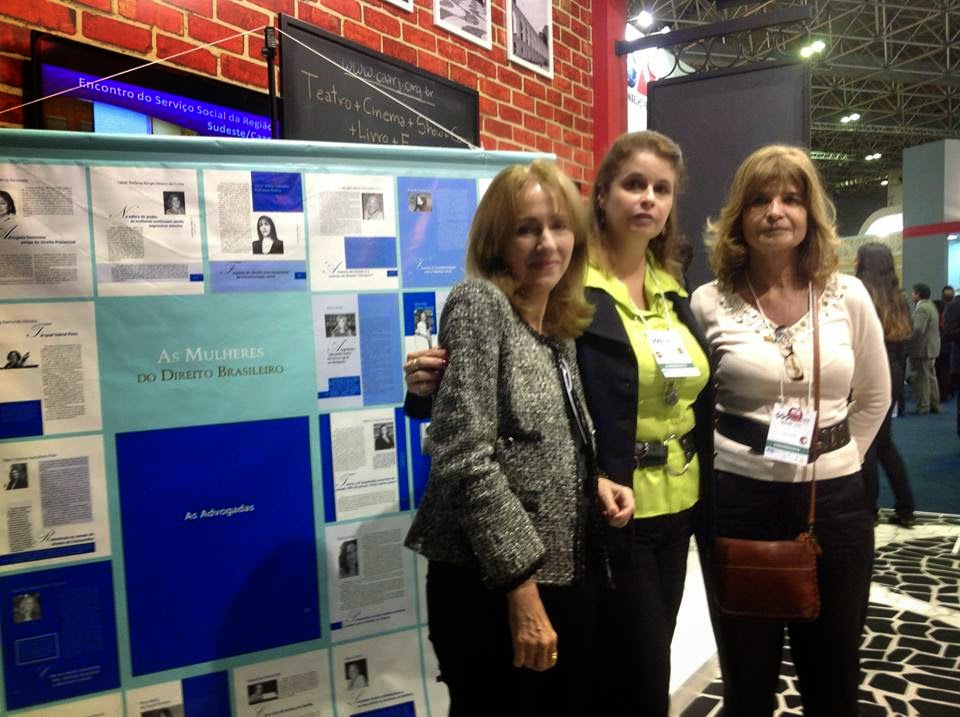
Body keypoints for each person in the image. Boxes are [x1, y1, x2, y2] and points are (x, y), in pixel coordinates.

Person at [404, 132, 715, 717]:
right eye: (527, 229)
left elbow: (560, 435)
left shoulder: (557, 322)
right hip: (494, 581)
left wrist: (595, 477)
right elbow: (466, 459)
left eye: (556, 227)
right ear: (498, 240)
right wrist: (521, 589)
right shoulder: (481, 304)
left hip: (564, 567)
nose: (547, 243)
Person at [691, 144, 888, 716]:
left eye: (791, 198)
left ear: (810, 215)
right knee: (748, 684)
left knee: (833, 679)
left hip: (835, 505)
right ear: (739, 217)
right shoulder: (708, 303)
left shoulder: (847, 296)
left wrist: (833, 457)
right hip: (739, 502)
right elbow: (695, 406)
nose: (775, 211)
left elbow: (874, 398)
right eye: (759, 200)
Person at [855, 243, 917, 527]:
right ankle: (905, 507)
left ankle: (868, 509)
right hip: (892, 370)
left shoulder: (860, 292)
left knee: (867, 444)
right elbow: (905, 341)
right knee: (884, 444)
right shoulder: (899, 296)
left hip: (865, 370)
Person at [909, 282, 940, 414]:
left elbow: (917, 330)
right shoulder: (931, 306)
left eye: (913, 292)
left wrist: (906, 339)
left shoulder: (921, 308)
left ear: (918, 294)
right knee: (931, 377)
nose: (912, 294)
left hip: (922, 349)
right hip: (931, 348)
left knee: (921, 379)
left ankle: (923, 406)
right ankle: (934, 404)